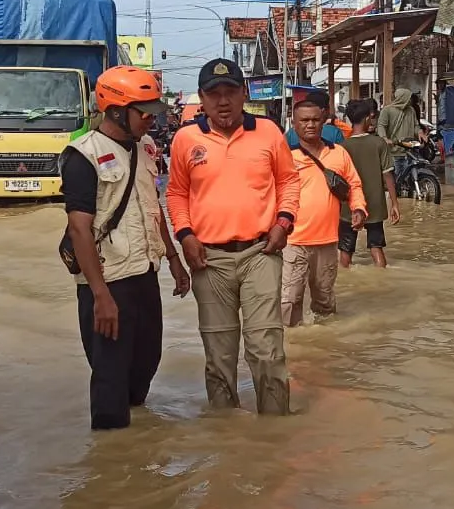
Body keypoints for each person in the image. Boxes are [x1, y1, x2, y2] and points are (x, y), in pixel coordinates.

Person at [166, 58, 302, 414]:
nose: (222, 101)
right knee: (219, 355)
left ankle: (274, 435)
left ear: (245, 94)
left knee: (266, 348)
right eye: (214, 94)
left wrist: (284, 222)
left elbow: (289, 180)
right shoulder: (185, 139)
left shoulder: (269, 132)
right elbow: (176, 192)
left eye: (230, 92)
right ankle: (226, 443)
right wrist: (185, 236)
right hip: (208, 259)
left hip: (261, 251)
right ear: (202, 98)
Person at [61, 66, 190, 430]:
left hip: (144, 273)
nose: (151, 119)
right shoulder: (82, 156)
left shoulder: (146, 148)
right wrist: (100, 295)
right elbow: (79, 228)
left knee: (147, 362)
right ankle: (110, 457)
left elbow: (153, 208)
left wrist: (173, 259)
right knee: (110, 377)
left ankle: (136, 456)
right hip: (109, 280)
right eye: (144, 111)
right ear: (117, 111)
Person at [281, 100, 366, 325]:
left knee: (324, 300)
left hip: (328, 241)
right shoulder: (284, 157)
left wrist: (358, 208)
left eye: (315, 120)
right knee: (289, 300)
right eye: (304, 120)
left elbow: (354, 184)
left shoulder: (339, 153)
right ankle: (294, 345)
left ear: (324, 121)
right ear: (294, 123)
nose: (310, 125)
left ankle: (327, 348)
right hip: (292, 241)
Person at [340, 99, 400, 267]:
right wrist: (394, 203)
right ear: (368, 118)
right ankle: (382, 279)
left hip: (349, 205)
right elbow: (388, 175)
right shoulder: (379, 143)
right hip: (375, 203)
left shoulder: (343, 146)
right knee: (376, 246)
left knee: (345, 249)